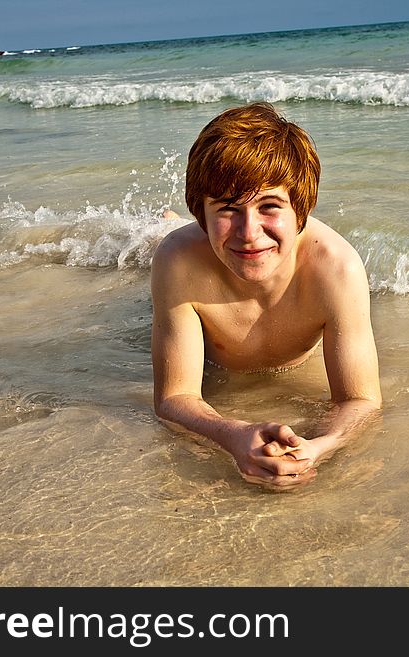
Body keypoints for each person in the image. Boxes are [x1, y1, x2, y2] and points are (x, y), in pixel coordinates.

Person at [150, 102, 381, 489]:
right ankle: (164, 224)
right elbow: (174, 397)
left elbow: (361, 400)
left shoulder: (337, 268)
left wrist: (319, 447)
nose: (249, 231)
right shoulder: (178, 262)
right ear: (201, 214)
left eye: (269, 206)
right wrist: (232, 433)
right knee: (160, 244)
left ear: (300, 211)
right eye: (227, 209)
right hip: (190, 258)